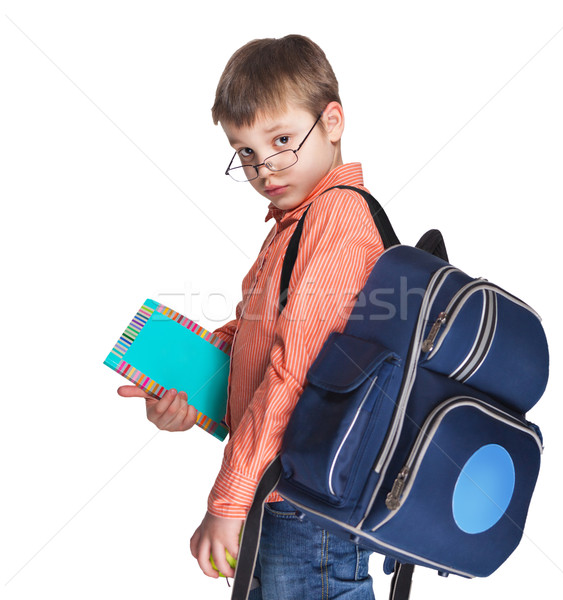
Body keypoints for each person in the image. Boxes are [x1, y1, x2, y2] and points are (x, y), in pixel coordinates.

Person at [118, 34, 384, 599]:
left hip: (304, 507)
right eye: (245, 152)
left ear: (331, 122)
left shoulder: (336, 220)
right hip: (284, 496)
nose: (265, 167)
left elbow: (294, 373)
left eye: (282, 140)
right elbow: (256, 340)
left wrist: (229, 498)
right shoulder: (294, 223)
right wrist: (187, 394)